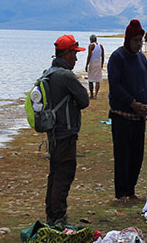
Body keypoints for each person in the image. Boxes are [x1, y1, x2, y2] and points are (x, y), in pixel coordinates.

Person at [43, 35, 90, 225]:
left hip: (53, 133)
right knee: (64, 174)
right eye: (74, 54)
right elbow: (84, 100)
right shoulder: (66, 76)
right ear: (66, 53)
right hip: (66, 133)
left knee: (55, 174)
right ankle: (58, 217)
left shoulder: (48, 73)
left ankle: (52, 214)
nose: (76, 59)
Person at [107, 19, 147, 203]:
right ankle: (121, 193)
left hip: (139, 116)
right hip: (122, 115)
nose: (138, 44)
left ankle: (131, 189)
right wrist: (132, 103)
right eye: (135, 40)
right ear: (127, 40)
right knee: (122, 155)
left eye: (140, 41)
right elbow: (115, 86)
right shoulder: (117, 58)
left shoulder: (141, 58)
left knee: (137, 155)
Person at [85, 34, 105, 99]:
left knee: (90, 79)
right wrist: (102, 64)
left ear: (91, 40)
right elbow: (103, 56)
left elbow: (89, 56)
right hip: (98, 62)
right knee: (97, 80)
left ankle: (91, 95)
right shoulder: (100, 45)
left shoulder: (91, 45)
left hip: (92, 63)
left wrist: (86, 64)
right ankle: (96, 95)